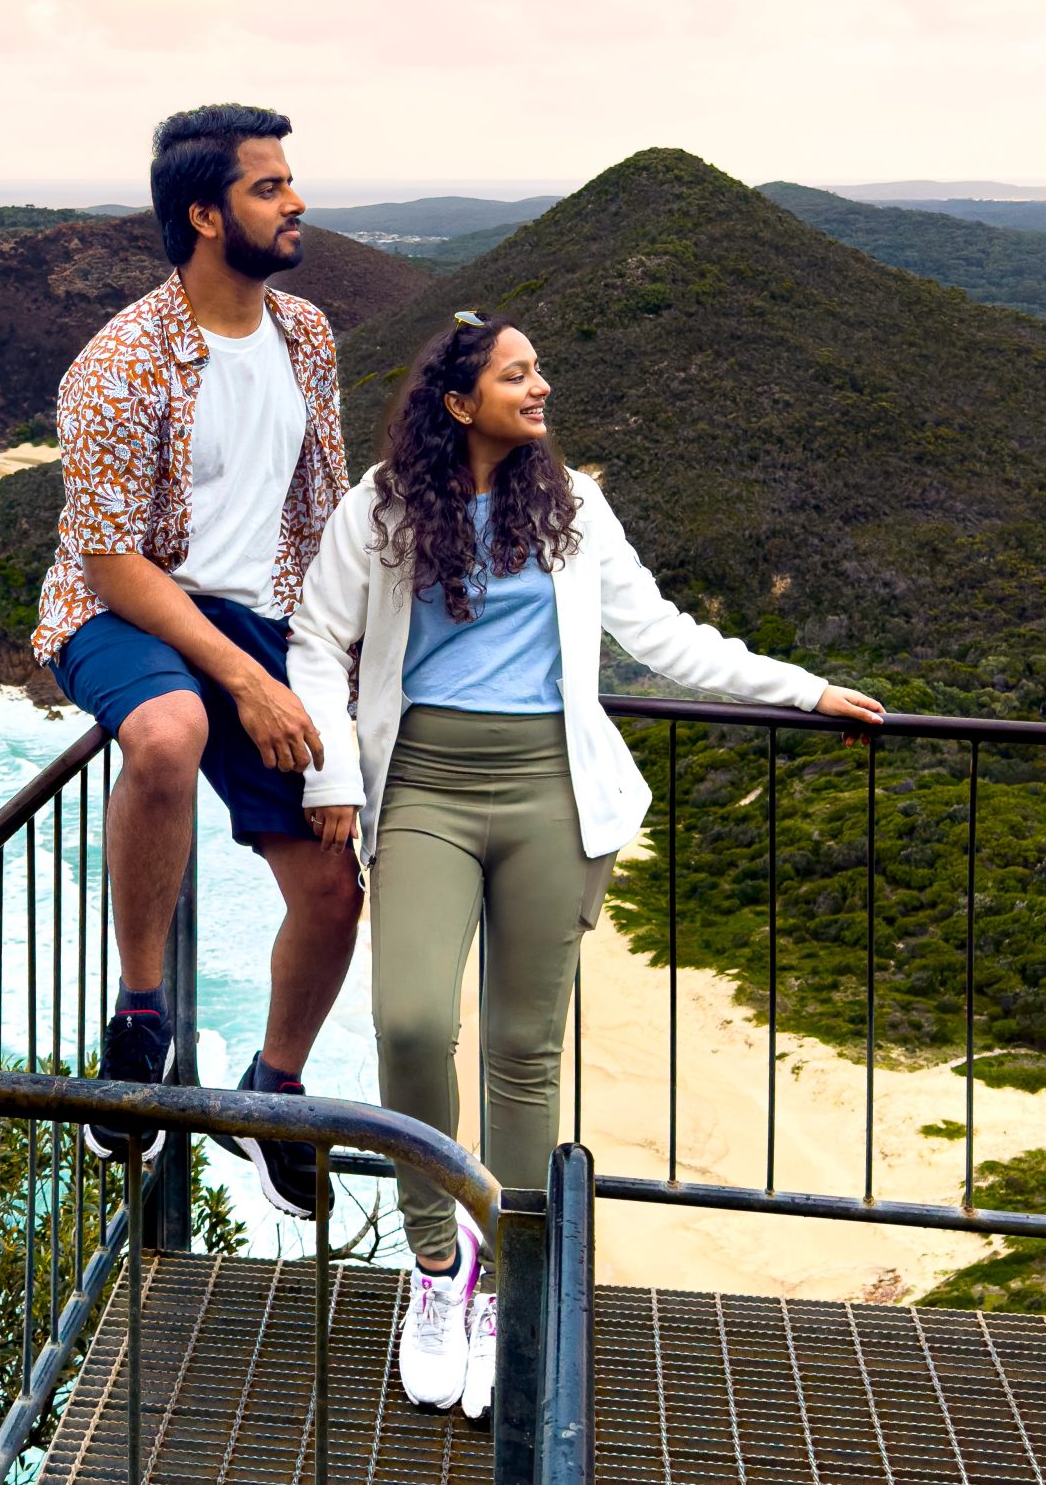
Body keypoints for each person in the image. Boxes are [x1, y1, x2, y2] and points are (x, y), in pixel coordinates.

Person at [287, 312, 885, 1420]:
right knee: (411, 1021)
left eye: (539, 371)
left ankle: (507, 1281)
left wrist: (798, 689)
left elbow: (660, 637)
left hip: (548, 794)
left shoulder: (570, 505)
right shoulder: (378, 505)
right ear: (458, 400)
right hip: (420, 783)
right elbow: (318, 643)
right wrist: (332, 775)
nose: (541, 386)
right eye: (518, 375)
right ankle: (433, 1269)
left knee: (522, 1049)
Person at [33, 105, 366, 1216]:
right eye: (268, 186)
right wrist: (244, 679)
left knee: (331, 882)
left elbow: (323, 514)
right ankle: (140, 1023)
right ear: (204, 214)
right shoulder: (120, 361)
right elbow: (114, 562)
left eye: (286, 180)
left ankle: (271, 1092)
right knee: (166, 728)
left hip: (267, 618)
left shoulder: (306, 334)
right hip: (126, 609)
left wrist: (323, 676)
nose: (294, 200)